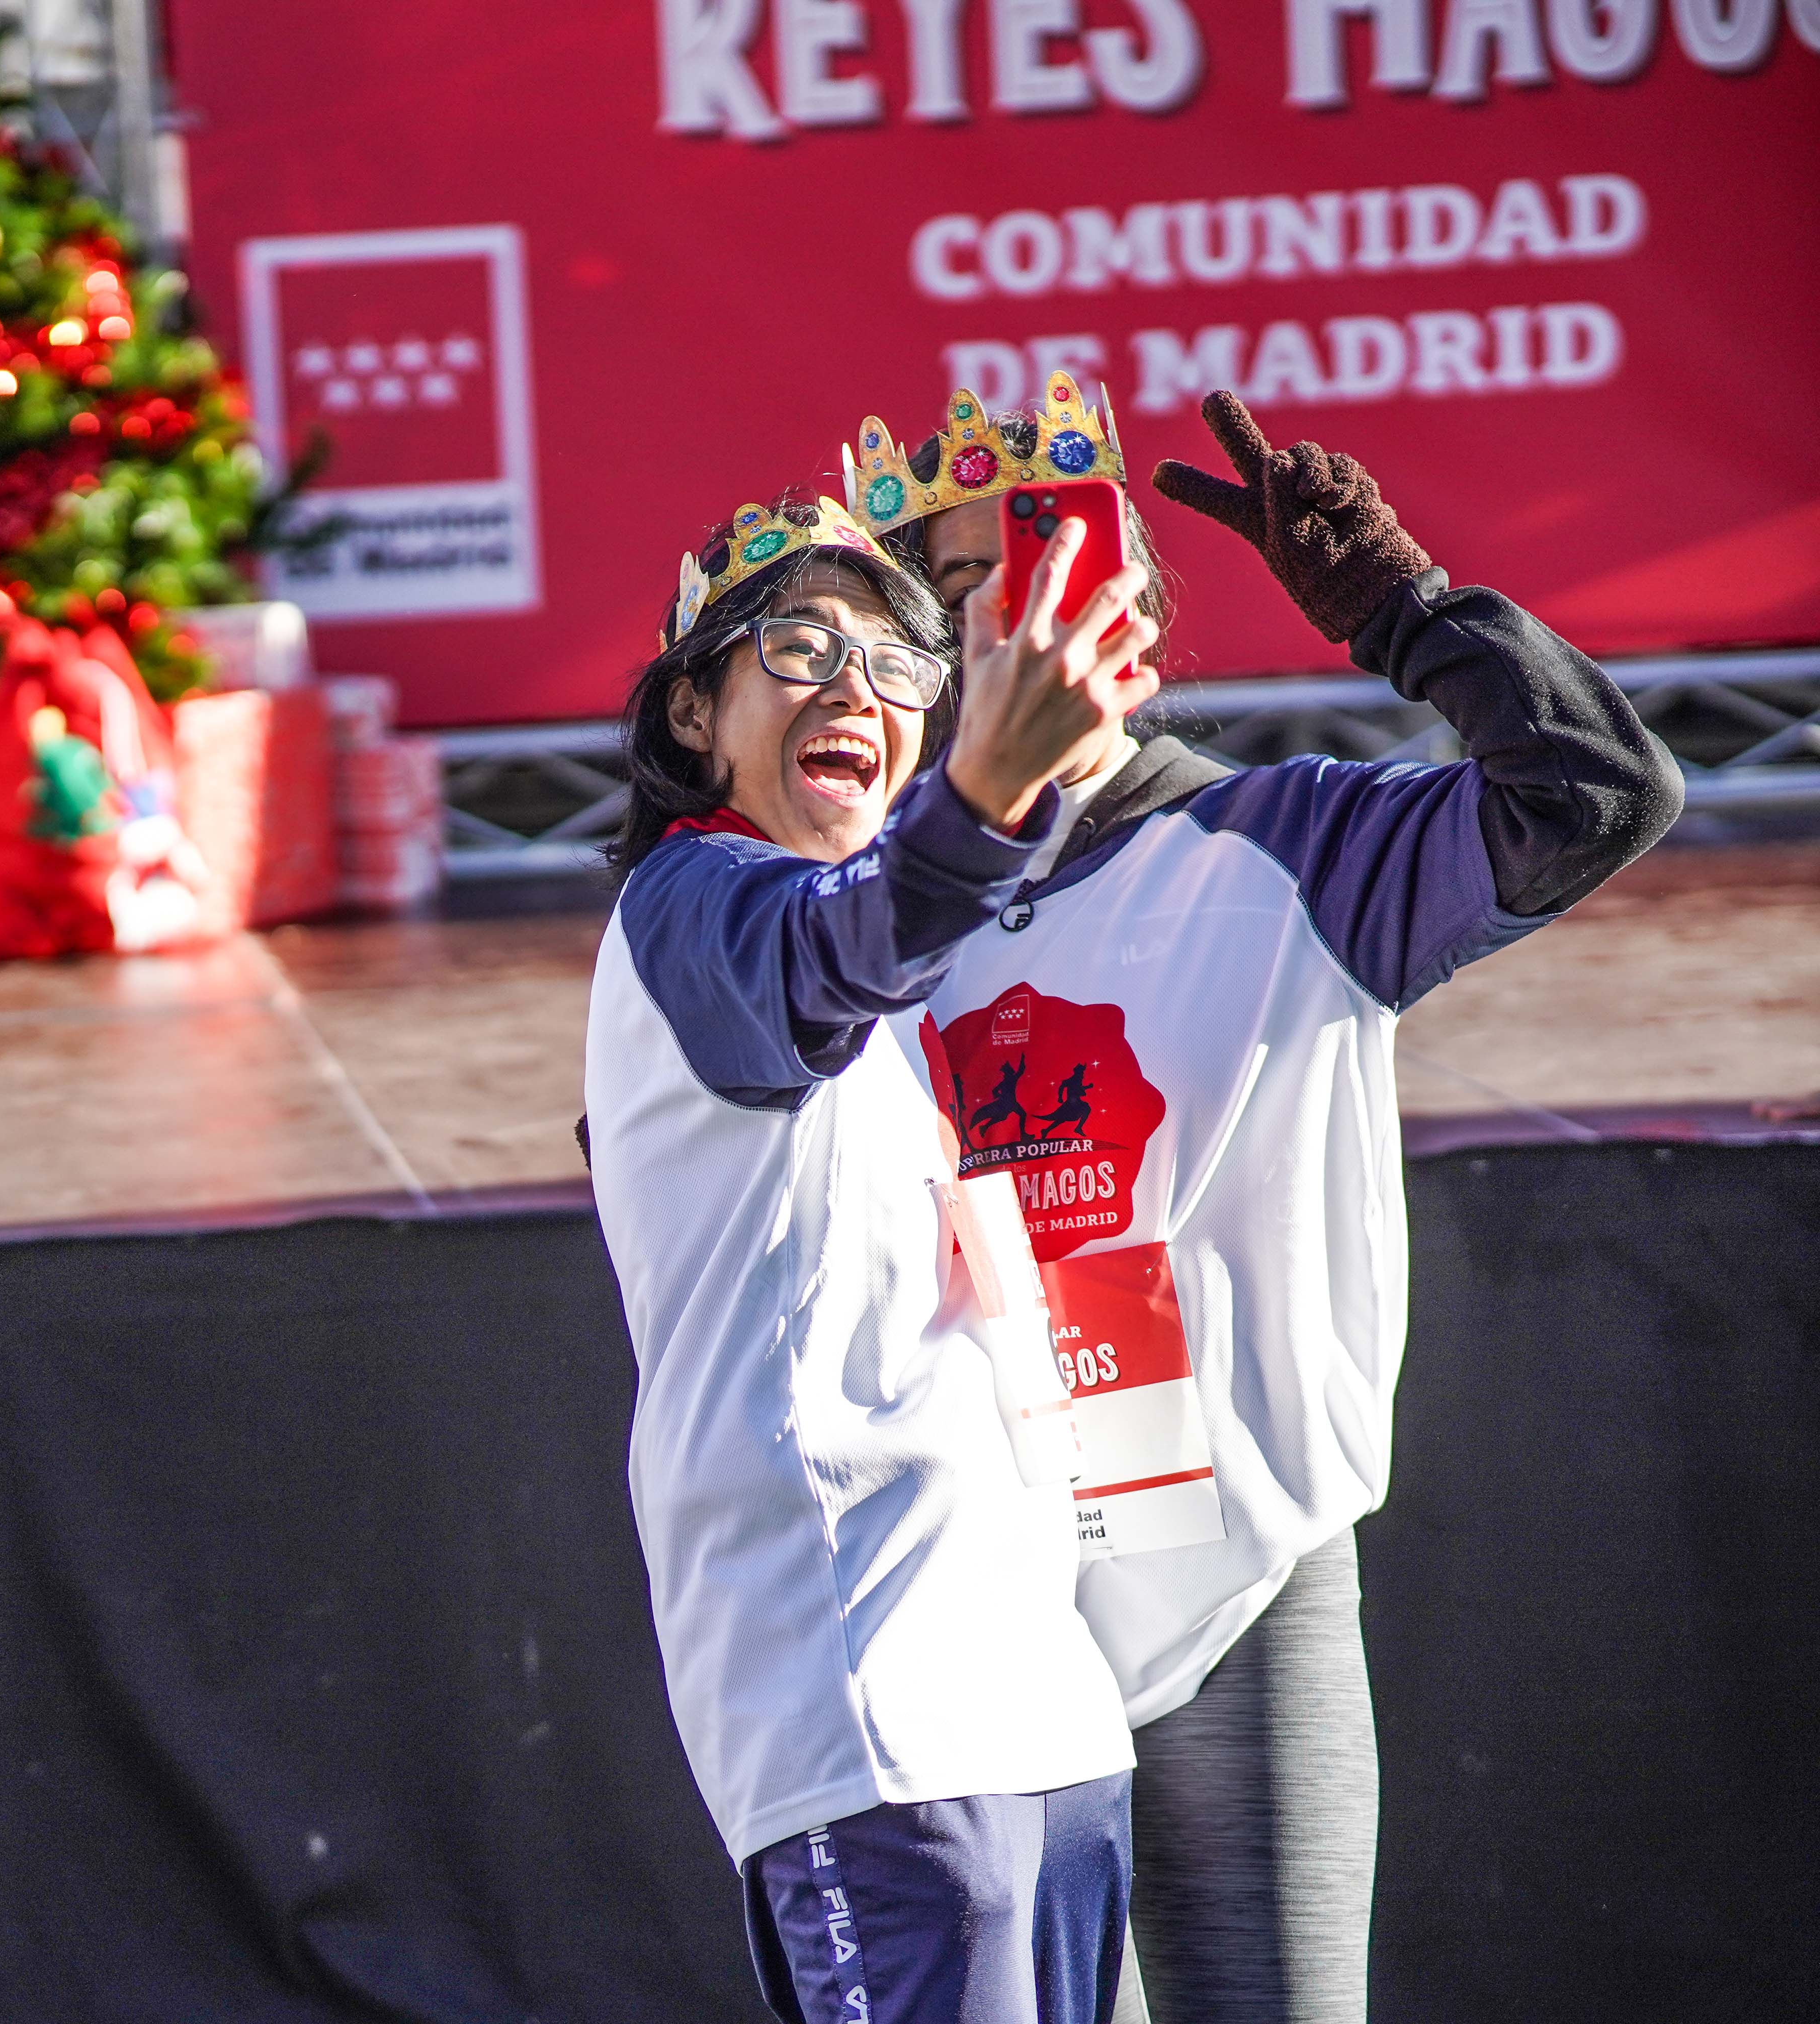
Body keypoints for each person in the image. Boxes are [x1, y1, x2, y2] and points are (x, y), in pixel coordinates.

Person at [852, 383, 1682, 2024]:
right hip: (983, 1589)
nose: (984, 626)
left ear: (1126, 605)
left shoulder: (1284, 842)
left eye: (1021, 566)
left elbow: (1598, 796)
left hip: (1237, 1578)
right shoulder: (872, 917)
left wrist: (1406, 613)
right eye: (940, 598)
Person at [584, 489, 1162, 2023]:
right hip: (868, 1718)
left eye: (903, 665)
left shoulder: (909, 983)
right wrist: (979, 792)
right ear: (699, 716)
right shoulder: (692, 910)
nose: (857, 687)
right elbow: (842, 939)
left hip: (1045, 1710)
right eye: (798, 647)